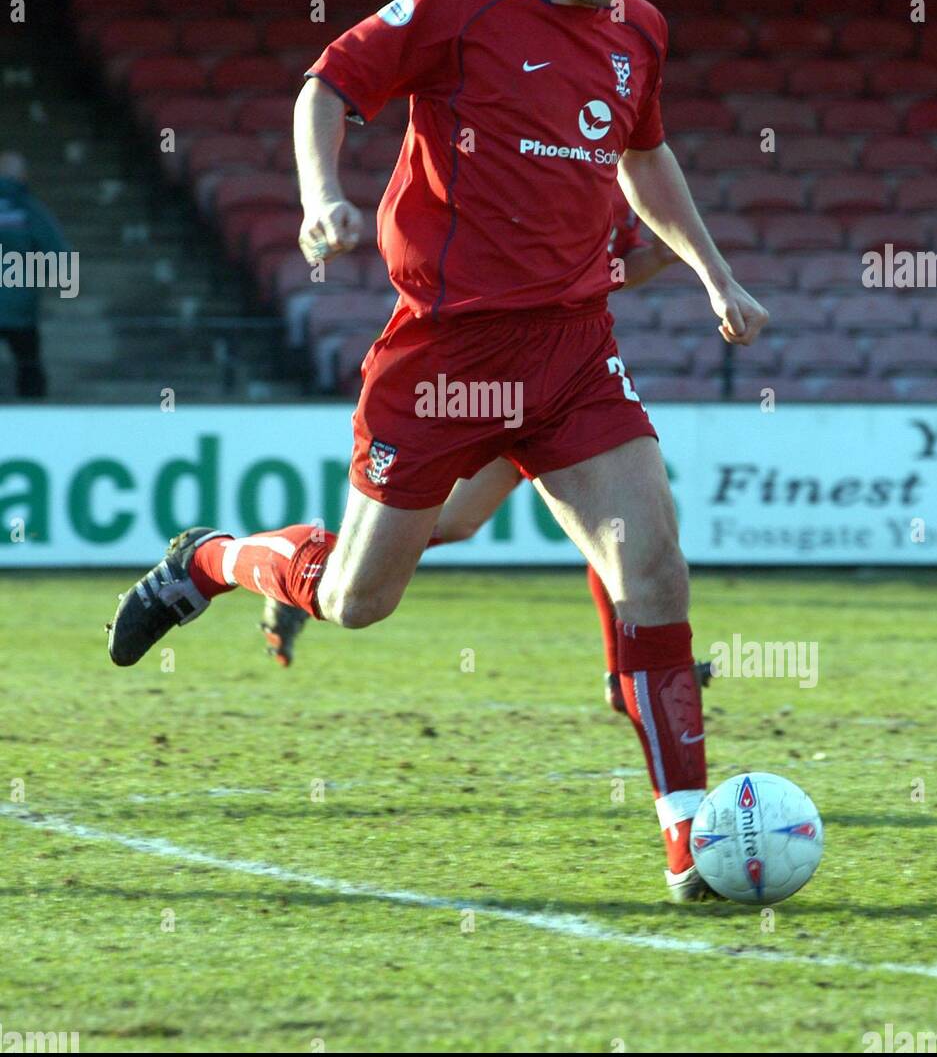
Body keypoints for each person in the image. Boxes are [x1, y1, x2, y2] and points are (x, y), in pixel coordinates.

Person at [107, 0, 769, 903]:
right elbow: (328, 83)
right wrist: (322, 197)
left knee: (651, 562)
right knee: (363, 595)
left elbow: (646, 157)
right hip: (444, 356)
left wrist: (712, 274)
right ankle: (214, 562)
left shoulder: (636, 31)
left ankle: (687, 838)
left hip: (569, 353)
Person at [258, 203, 713, 708]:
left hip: (558, 379)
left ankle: (624, 671)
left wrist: (668, 255)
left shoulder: (611, 178)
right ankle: (315, 567)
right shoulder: (539, 164)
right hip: (493, 379)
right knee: (467, 524)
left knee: (592, 529)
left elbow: (616, 273)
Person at [0, 153, 72, 398]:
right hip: (20, 307)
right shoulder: (29, 209)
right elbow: (57, 250)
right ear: (22, 175)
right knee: (29, 365)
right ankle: (32, 417)